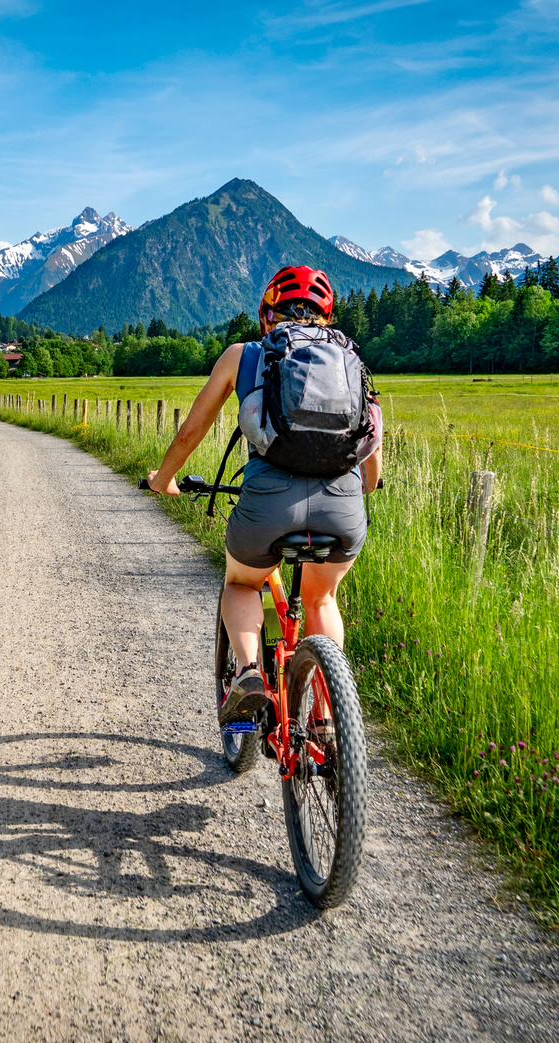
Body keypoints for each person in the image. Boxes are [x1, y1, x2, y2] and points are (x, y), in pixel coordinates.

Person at [145, 265, 381, 727]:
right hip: (344, 504)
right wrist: (365, 485)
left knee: (241, 583)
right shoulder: (351, 360)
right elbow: (373, 440)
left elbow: (193, 431)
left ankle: (250, 674)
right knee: (321, 600)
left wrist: (164, 479)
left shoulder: (244, 354)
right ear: (326, 317)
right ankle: (330, 722)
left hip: (269, 503)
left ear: (267, 315)